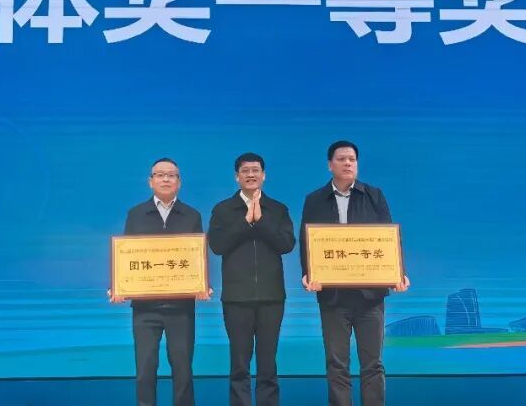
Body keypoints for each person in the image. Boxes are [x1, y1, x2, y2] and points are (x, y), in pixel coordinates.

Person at [299, 141, 410, 406]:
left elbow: (388, 238)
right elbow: (306, 241)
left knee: (373, 364)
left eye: (352, 159)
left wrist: (399, 272)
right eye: (341, 159)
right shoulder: (314, 199)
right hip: (333, 297)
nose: (348, 163)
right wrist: (308, 273)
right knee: (336, 364)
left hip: (370, 296)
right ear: (330, 165)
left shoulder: (374, 195)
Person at [110, 157, 208, 406]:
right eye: (160, 174)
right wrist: (119, 285)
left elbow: (197, 256)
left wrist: (202, 284)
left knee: (183, 369)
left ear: (179, 182)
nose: (166, 179)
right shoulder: (136, 214)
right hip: (145, 309)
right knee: (145, 369)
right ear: (150, 181)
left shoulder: (192, 215)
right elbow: (128, 255)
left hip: (181, 308)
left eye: (171, 175)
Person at [207, 152, 295, 406]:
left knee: (268, 364)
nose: (250, 174)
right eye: (245, 171)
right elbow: (217, 246)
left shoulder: (277, 209)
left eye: (255, 170)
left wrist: (261, 221)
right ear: (237, 177)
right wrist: (245, 221)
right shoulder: (223, 209)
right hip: (236, 298)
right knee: (239, 364)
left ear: (263, 175)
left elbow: (286, 244)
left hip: (271, 297)